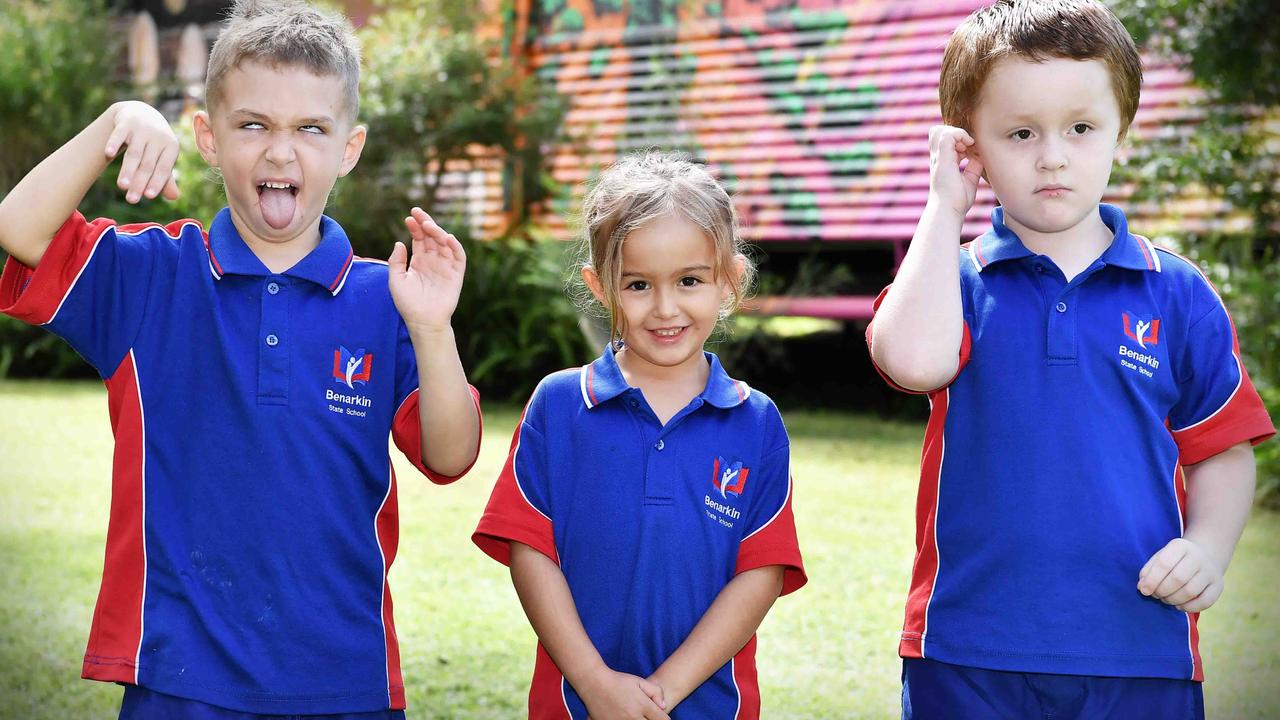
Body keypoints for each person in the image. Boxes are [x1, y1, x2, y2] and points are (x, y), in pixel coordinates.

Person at [0, 1, 482, 717]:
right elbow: (17, 226)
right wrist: (116, 121)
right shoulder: (152, 274)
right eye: (253, 124)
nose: (280, 151)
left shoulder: (392, 299)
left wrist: (434, 330)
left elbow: (451, 455)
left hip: (343, 676)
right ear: (208, 137)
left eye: (310, 129)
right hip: (179, 673)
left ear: (349, 148)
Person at [866, 1, 1276, 718]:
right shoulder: (953, 280)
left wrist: (1208, 548)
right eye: (1019, 133)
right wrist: (942, 207)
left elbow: (1224, 448)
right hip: (967, 648)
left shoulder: (1174, 291)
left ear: (1120, 129)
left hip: (1141, 648)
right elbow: (911, 362)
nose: (1052, 154)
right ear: (972, 146)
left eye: (1080, 129)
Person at [473, 152, 805, 719]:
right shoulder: (558, 405)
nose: (665, 307)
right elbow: (530, 552)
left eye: (690, 280)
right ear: (600, 287)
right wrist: (596, 684)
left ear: (729, 281)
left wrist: (663, 694)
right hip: (575, 705)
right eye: (638, 284)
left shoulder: (757, 422)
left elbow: (761, 574)